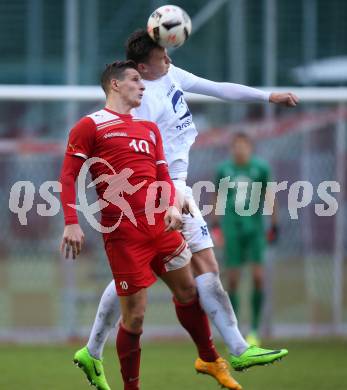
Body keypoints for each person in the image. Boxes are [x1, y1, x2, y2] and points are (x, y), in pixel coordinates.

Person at [74, 29, 297, 388]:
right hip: (165, 190)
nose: (171, 59)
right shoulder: (140, 101)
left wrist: (268, 96)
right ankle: (233, 349)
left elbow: (220, 88)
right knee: (181, 270)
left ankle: (94, 349)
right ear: (144, 68)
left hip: (175, 185)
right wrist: (164, 196)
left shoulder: (171, 75)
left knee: (156, 273)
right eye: (164, 55)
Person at [60, 60, 242, 390]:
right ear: (115, 85)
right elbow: (68, 176)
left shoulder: (149, 129)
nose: (142, 86)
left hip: (160, 228)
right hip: (124, 235)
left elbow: (163, 177)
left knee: (189, 291)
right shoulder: (91, 126)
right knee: (136, 315)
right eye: (134, 80)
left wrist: (173, 205)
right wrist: (71, 223)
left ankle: (210, 359)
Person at [214, 132, 278, 347]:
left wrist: (274, 224)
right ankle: (236, 329)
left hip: (255, 229)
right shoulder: (224, 170)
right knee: (232, 279)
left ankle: (255, 329)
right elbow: (218, 197)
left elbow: (270, 195)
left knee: (259, 276)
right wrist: (215, 225)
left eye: (244, 146)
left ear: (250, 148)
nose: (240, 149)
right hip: (232, 229)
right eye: (236, 146)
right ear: (232, 148)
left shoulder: (260, 168)